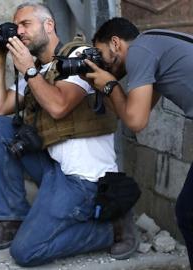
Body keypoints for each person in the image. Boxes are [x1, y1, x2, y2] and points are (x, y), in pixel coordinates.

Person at [0, 2, 140, 266]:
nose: (19, 32)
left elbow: (59, 106)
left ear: (48, 25)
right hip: (54, 168)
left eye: (25, 24)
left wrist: (28, 69)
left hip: (83, 180)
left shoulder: (81, 56)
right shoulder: (37, 67)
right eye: (16, 27)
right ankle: (11, 219)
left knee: (25, 252)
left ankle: (112, 228)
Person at [84, 17, 193, 268]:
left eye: (101, 54)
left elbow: (135, 121)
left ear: (115, 43)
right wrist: (104, 87)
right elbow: (133, 115)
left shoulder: (140, 51)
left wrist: (110, 84)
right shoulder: (154, 46)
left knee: (188, 213)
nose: (102, 63)